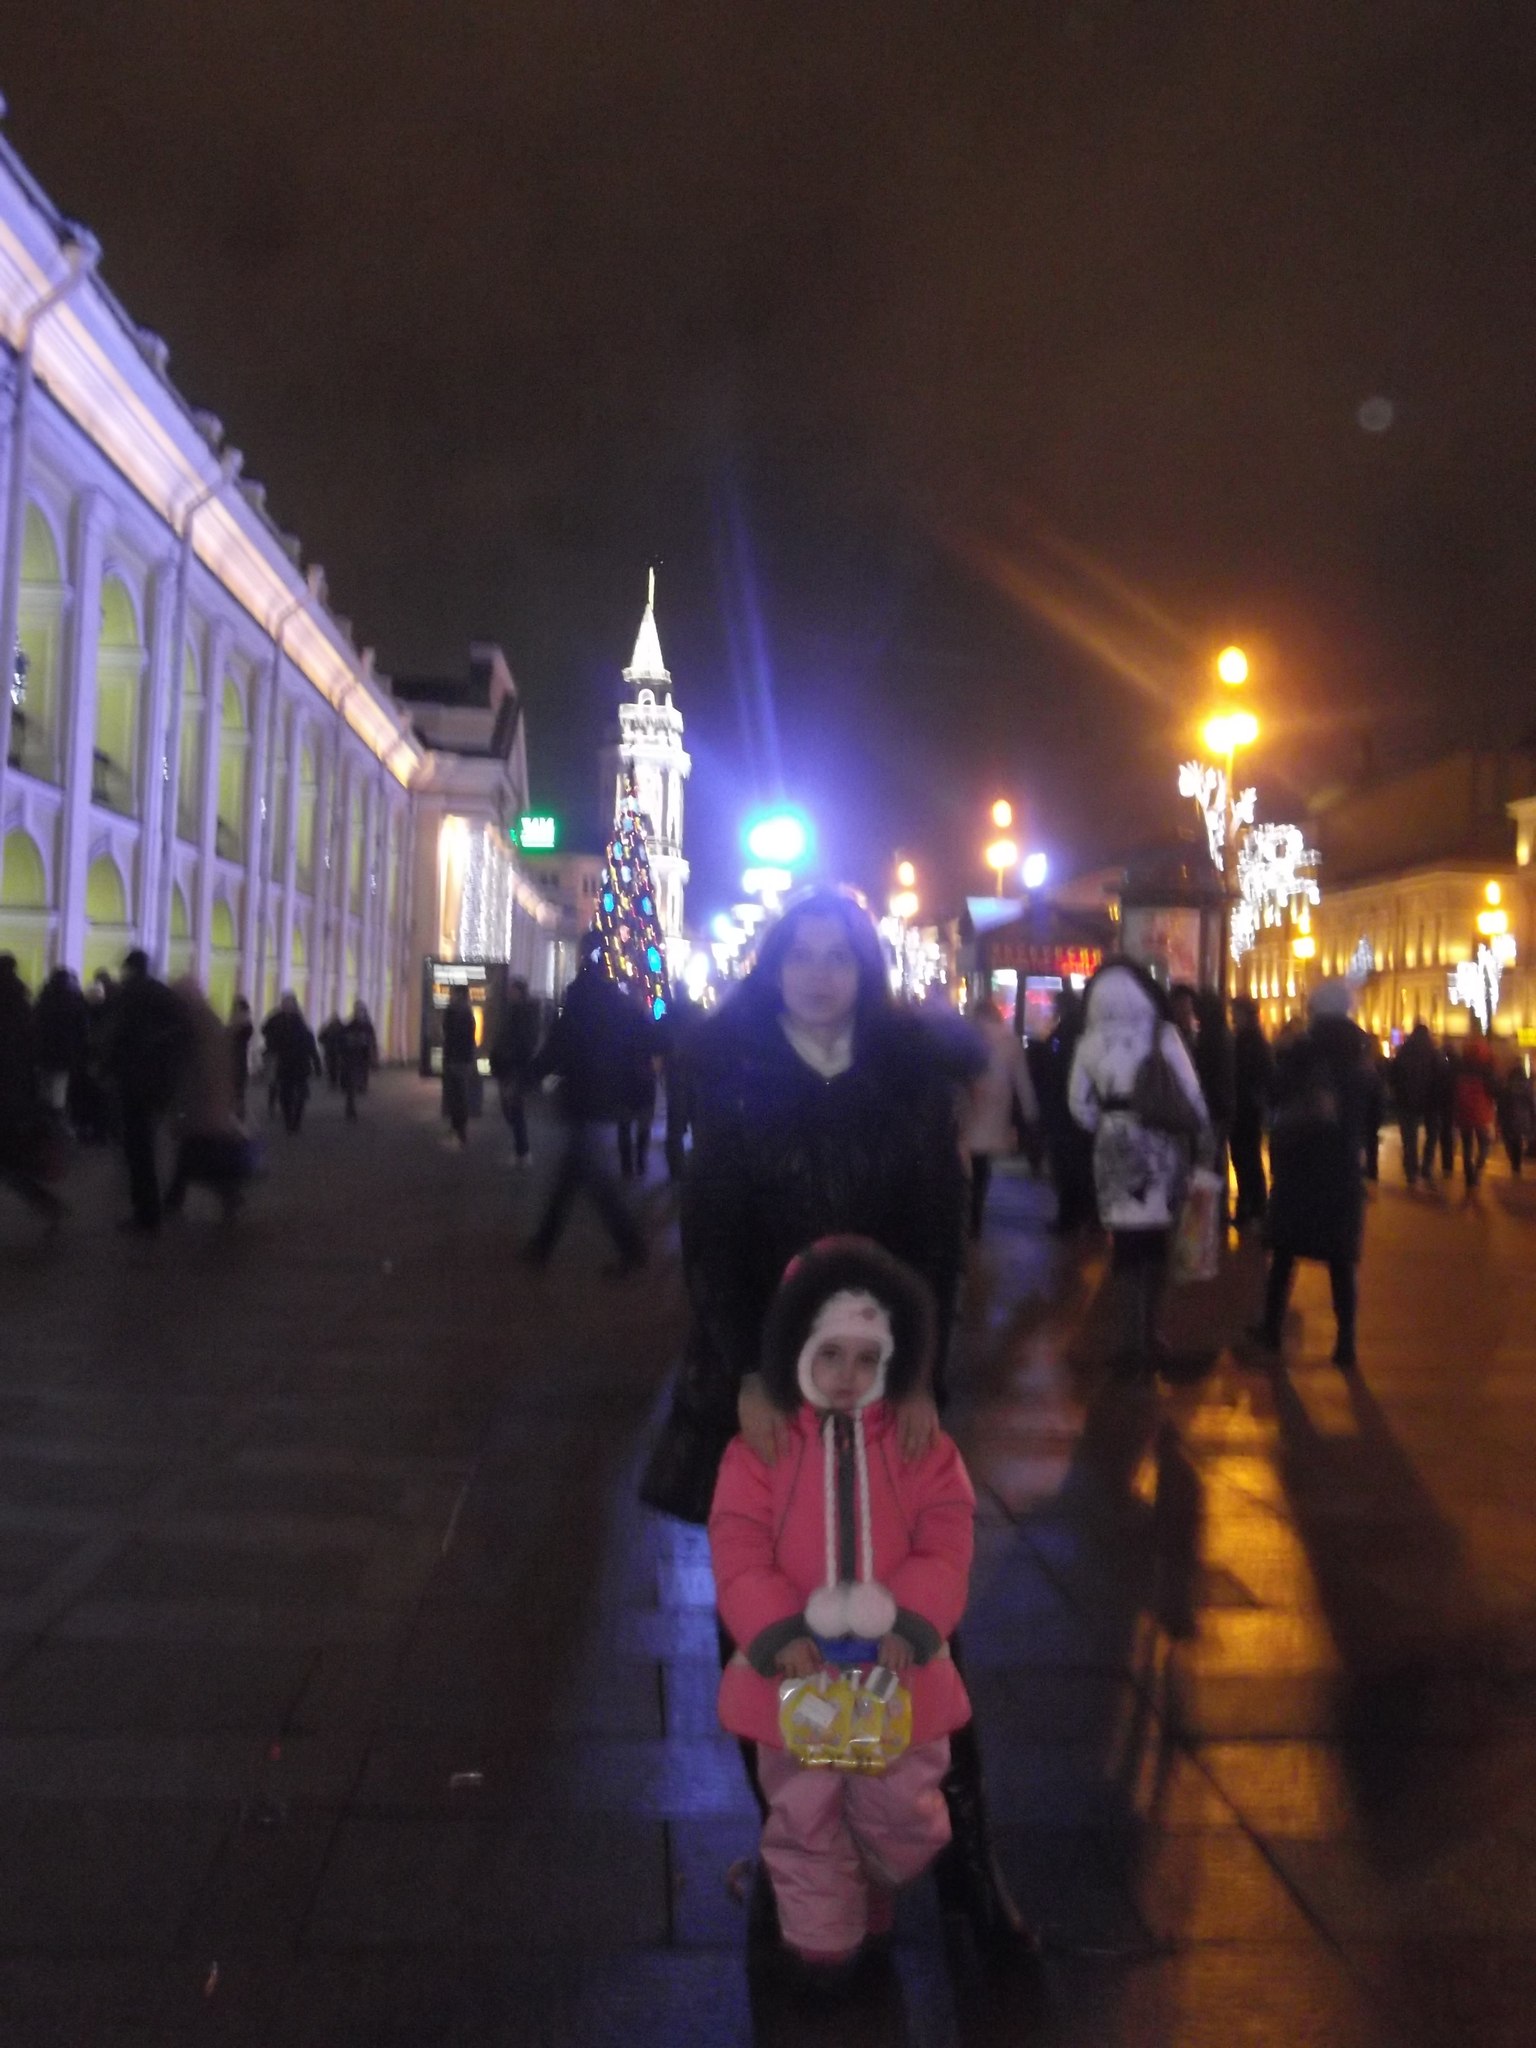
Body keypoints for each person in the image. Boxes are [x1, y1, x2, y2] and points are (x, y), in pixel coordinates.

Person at [644, 886, 1027, 1964]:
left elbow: (939, 1243)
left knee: (922, 1631)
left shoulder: (906, 1082)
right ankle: (798, 1855)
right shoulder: (733, 1076)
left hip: (880, 1387)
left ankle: (966, 1866)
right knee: (765, 1628)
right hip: (766, 1393)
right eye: (802, 955)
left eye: (839, 956)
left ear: (866, 971)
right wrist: (747, 1374)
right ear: (774, 967)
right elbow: (712, 1244)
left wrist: (921, 1374)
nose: (819, 974)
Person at [710, 1237, 973, 1981]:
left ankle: (871, 1881)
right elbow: (738, 1544)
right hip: (797, 1674)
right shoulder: (762, 1449)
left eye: (867, 1357)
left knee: (901, 1808)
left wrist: (913, 1621)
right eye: (830, 1354)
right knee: (806, 1811)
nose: (848, 1375)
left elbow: (948, 1536)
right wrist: (774, 1631)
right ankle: (823, 1940)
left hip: (897, 1673)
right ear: (796, 1351)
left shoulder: (921, 1446)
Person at [1068, 961, 1209, 1373]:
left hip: (1114, 1147)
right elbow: (1191, 1093)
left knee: (1126, 1246)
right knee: (1155, 1243)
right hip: (1160, 1146)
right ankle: (1152, 1331)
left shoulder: (1089, 1042)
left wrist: (1107, 1123)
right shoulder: (1163, 1034)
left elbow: (1078, 1105)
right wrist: (1200, 1140)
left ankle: (1129, 1340)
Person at [1253, 980, 1372, 1370]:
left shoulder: (1301, 1052)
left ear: (1315, 1011)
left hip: (1301, 1162)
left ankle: (1271, 1329)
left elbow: (1273, 1093)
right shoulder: (1360, 1055)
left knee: (1285, 1251)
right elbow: (1372, 1111)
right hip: (1341, 1167)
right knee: (1341, 1260)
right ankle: (1346, 1341)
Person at [523, 949, 648, 1271]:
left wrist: (528, 1078)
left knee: (590, 1178)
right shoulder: (616, 1003)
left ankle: (630, 1248)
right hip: (603, 1097)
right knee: (575, 1175)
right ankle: (544, 1245)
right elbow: (638, 1044)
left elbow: (556, 1047)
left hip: (582, 1097)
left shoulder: (579, 1001)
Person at [104, 949, 191, 1233]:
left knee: (138, 1149)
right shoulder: (163, 994)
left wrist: (106, 1067)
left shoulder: (131, 995)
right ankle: (148, 1211)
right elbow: (185, 1032)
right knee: (145, 1146)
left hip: (135, 1081)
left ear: (130, 969)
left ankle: (146, 1213)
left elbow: (117, 1036)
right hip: (159, 1083)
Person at [165, 979, 250, 1218]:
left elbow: (199, 1067)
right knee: (194, 1153)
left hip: (202, 1100)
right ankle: (178, 1198)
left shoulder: (195, 1024)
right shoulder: (207, 1020)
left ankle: (225, 1194)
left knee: (198, 1153)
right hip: (207, 1100)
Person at [962, 997, 1039, 1238]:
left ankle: (967, 1209)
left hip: (970, 1105)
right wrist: (1030, 1112)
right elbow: (1022, 1081)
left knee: (967, 1158)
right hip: (996, 1106)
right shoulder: (1010, 1042)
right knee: (982, 1162)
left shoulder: (966, 1038)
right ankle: (976, 1213)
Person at [0, 953, 65, 1227]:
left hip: (6, 1089)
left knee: (7, 1160)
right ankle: (46, 1204)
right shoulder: (22, 1003)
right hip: (17, 1088)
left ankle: (46, 1204)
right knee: (8, 1158)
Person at [1037, 991, 1097, 1236]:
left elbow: (1053, 1070)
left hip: (1064, 1109)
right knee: (1082, 1165)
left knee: (1066, 1166)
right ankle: (1085, 1216)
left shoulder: (1064, 1034)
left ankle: (1069, 1218)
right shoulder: (1087, 1031)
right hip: (1081, 1110)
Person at [1230, 997, 1274, 1227]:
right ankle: (1253, 1206)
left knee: (1246, 1158)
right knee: (1247, 1158)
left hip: (1245, 1107)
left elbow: (1253, 1075)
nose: (1233, 1017)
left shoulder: (1249, 1043)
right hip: (1248, 1107)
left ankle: (1252, 1207)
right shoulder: (1255, 1041)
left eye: (1236, 1013)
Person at [488, 977, 541, 1166]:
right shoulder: (511, 1011)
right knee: (509, 1107)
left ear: (520, 992)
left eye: (513, 990)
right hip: (506, 1066)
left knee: (514, 1107)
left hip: (515, 1067)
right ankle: (521, 1149)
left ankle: (523, 1151)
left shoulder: (524, 1013)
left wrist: (509, 1056)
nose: (509, 994)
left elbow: (524, 1042)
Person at [658, 986, 703, 1182]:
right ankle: (700, 1163)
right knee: (699, 1121)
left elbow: (660, 1047)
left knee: (675, 1126)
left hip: (676, 1076)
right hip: (696, 1074)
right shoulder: (697, 1014)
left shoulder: (668, 1018)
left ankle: (676, 1170)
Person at [33, 967, 89, 1121]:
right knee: (59, 1087)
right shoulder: (74, 1000)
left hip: (44, 1051)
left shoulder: (44, 999)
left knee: (45, 1086)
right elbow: (82, 1029)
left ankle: (44, 1120)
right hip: (65, 1052)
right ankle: (56, 1121)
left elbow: (36, 1025)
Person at [261, 992, 321, 1134]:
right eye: (285, 1003)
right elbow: (266, 1032)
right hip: (284, 1063)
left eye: (289, 1004)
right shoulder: (276, 1019)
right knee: (285, 1093)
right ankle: (289, 1120)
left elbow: (310, 1044)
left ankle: (296, 1121)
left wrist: (316, 1062)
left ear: (294, 1005)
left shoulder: (300, 1023)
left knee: (300, 1093)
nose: (286, 1006)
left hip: (299, 1063)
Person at [615, 986, 659, 1179]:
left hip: (625, 1080)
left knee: (624, 1125)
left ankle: (627, 1166)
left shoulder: (621, 1024)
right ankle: (641, 1162)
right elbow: (656, 1050)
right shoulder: (648, 1025)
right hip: (645, 1081)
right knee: (643, 1125)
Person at [1392, 1021, 1438, 1186]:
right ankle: (1426, 1166)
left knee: (1409, 1138)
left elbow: (1393, 1074)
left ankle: (1411, 1170)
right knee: (1432, 1135)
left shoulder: (1403, 1052)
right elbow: (1441, 1076)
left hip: (1406, 1100)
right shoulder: (1433, 1053)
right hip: (1430, 1100)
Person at [1454, 1031, 1498, 1189]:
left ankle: (1469, 1174)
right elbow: (1494, 1088)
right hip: (1481, 1111)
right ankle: (1478, 1171)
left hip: (1464, 1109)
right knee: (1485, 1143)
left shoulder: (1462, 1062)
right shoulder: (1487, 1064)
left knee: (1467, 1145)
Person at [439, 984, 478, 1146]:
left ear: (459, 995)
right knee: (459, 1095)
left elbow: (451, 1034)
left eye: (453, 994)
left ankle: (459, 1130)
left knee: (457, 1095)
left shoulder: (456, 1012)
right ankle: (458, 1129)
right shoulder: (466, 1012)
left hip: (456, 1058)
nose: (451, 996)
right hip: (461, 1058)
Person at [337, 1001, 378, 1122]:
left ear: (364, 1012)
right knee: (351, 1085)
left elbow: (372, 1043)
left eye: (361, 1010)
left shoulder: (368, 1027)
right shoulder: (349, 1026)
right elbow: (342, 1041)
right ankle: (350, 1109)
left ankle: (357, 1095)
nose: (359, 1013)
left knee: (359, 1082)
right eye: (357, 1010)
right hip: (351, 1059)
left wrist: (374, 1058)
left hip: (363, 1059)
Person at [1499, 1055, 1535, 1176]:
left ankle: (1514, 1161)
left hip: (1508, 1117)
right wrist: (1533, 1116)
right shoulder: (1527, 1086)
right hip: (1522, 1117)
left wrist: (1500, 1118)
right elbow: (1531, 1102)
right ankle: (1517, 1164)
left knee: (1509, 1140)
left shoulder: (1506, 1086)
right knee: (1518, 1139)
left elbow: (1501, 1104)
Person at [228, 997, 254, 1123]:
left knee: (238, 1091)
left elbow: (242, 1037)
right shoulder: (231, 1024)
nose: (236, 1012)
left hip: (239, 1062)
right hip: (230, 1060)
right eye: (235, 1009)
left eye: (239, 1009)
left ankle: (239, 1117)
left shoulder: (246, 1026)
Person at [317, 1013, 345, 1092]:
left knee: (334, 1067)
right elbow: (320, 1038)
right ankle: (334, 1082)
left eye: (334, 1018)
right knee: (332, 1067)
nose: (334, 1020)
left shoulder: (338, 1028)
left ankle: (334, 1082)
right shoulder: (329, 1027)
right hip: (331, 1051)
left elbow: (320, 1038)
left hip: (335, 1051)